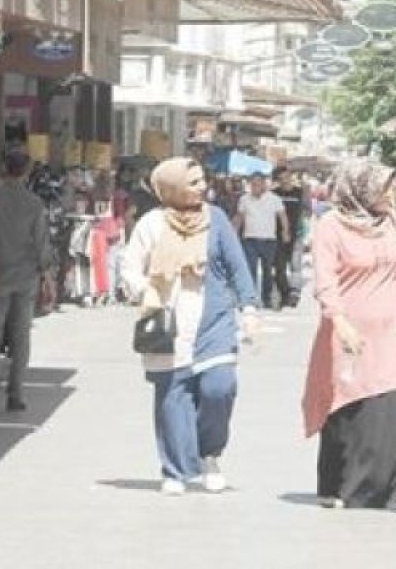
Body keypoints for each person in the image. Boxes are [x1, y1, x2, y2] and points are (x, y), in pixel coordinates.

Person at [121, 158, 261, 495]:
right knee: (173, 396)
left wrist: (250, 309)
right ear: (171, 188)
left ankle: (209, 453)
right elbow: (129, 266)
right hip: (167, 319)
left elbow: (237, 265)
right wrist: (145, 290)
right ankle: (175, 469)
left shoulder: (216, 220)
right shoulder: (151, 224)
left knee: (220, 387)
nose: (202, 188)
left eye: (202, 181)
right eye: (193, 182)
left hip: (214, 319)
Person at [302, 158, 396, 512]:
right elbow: (325, 279)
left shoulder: (388, 223)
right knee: (349, 403)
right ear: (364, 189)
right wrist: (338, 320)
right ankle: (344, 484)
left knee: (393, 402)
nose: (393, 195)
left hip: (389, 327)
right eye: (386, 188)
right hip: (349, 328)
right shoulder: (330, 226)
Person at [0, 150, 52, 415]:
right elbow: (40, 242)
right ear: (26, 171)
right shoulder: (34, 203)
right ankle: (16, 393)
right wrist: (47, 274)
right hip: (26, 273)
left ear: (4, 168)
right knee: (20, 334)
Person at [234, 172, 290, 310]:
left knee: (267, 272)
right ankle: (250, 299)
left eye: (258, 184)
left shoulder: (274, 199)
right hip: (250, 240)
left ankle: (267, 298)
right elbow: (239, 218)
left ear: (264, 185)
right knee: (250, 270)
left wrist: (285, 231)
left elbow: (282, 216)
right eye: (253, 184)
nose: (255, 187)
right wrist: (233, 233)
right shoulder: (244, 199)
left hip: (268, 240)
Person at [272, 167, 307, 308]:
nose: (284, 180)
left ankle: (294, 293)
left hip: (297, 234)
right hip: (277, 235)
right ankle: (284, 292)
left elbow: (306, 211)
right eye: (281, 178)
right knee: (279, 267)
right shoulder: (274, 194)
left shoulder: (299, 192)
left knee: (295, 265)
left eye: (287, 177)